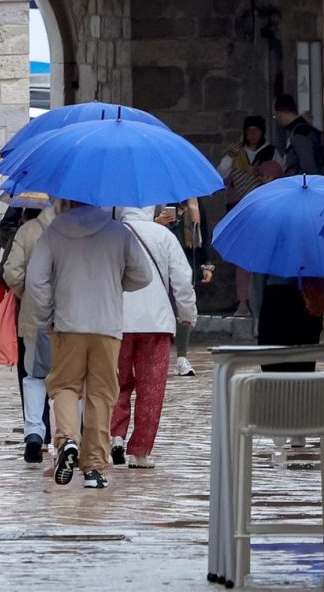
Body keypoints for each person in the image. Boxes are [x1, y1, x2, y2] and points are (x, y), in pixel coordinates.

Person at [27, 200, 152, 489]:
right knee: (101, 394)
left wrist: (45, 314)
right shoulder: (119, 233)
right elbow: (143, 276)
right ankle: (94, 467)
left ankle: (68, 440)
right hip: (107, 325)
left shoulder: (54, 231)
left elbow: (35, 280)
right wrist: (115, 282)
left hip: (67, 323)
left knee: (65, 386)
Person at [111, 207, 198, 469]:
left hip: (116, 320)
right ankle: (140, 452)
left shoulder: (111, 235)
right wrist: (187, 313)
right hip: (156, 321)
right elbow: (182, 278)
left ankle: (115, 436)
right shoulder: (163, 235)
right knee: (151, 388)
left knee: (115, 382)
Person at [2, 203, 57, 464]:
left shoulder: (28, 230)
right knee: (72, 379)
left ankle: (35, 432)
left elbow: (12, 272)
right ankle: (70, 434)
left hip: (35, 314)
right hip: (73, 316)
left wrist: (30, 294)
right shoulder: (78, 229)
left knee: (34, 374)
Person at [216, 115, 283, 317]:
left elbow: (280, 176)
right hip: (240, 212)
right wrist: (229, 157)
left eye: (256, 130)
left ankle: (262, 302)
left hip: (264, 212)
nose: (252, 134)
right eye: (249, 131)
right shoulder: (237, 153)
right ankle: (243, 302)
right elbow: (221, 174)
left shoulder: (271, 152)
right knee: (243, 258)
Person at [158, 201, 213, 376]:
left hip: (186, 259)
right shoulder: (157, 202)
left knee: (184, 305)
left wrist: (207, 264)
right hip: (160, 258)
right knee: (161, 308)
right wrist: (157, 222)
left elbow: (204, 234)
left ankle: (182, 356)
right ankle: (159, 357)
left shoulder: (195, 203)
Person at [273, 93, 324, 176]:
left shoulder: (300, 133)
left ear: (281, 113)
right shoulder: (303, 129)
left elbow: (308, 166)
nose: (277, 118)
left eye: (276, 115)